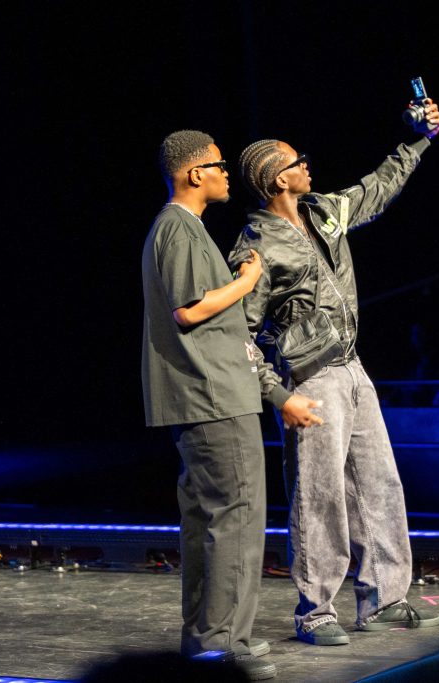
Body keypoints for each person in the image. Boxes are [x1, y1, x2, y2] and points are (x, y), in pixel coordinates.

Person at [227, 96, 439, 647]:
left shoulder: (324, 211)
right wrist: (279, 395)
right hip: (312, 379)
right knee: (318, 496)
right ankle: (315, 612)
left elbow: (376, 187)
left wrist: (417, 141)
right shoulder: (256, 245)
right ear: (278, 179)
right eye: (296, 161)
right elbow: (238, 334)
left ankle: (384, 599)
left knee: (379, 484)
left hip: (353, 368)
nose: (306, 164)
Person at [141, 130, 321, 681]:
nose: (225, 174)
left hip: (208, 395)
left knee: (210, 524)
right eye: (218, 165)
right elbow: (190, 311)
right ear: (195, 173)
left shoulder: (181, 230)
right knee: (235, 523)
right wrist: (247, 280)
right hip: (213, 397)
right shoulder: (178, 228)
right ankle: (221, 646)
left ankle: (208, 641)